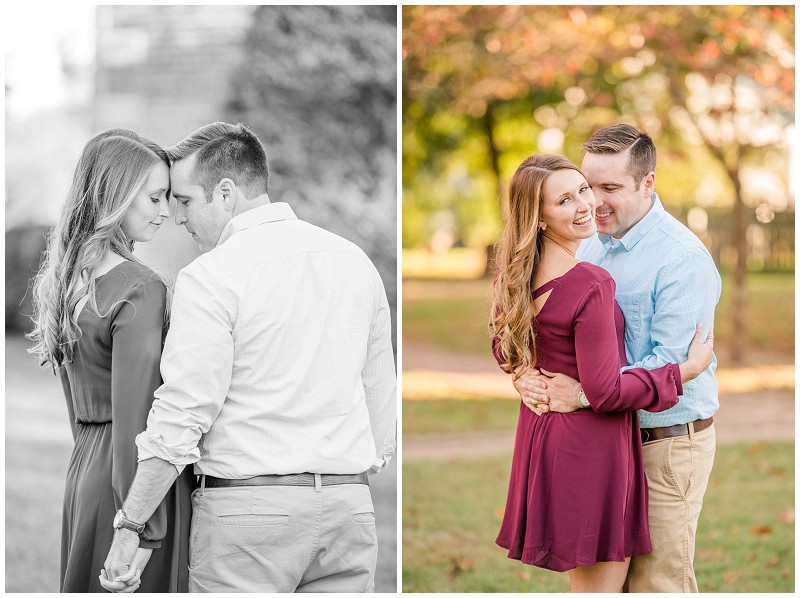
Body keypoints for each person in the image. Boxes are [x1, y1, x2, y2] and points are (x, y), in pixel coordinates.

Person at [100, 122, 396, 592]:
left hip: (249, 517)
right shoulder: (355, 261)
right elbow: (381, 392)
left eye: (184, 201)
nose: (178, 217)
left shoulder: (211, 276)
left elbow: (182, 414)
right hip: (349, 508)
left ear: (225, 192)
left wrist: (131, 524)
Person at [490, 154, 714, 592]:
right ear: (537, 217)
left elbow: (503, 345)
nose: (585, 205)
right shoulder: (590, 281)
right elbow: (606, 392)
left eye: (585, 191)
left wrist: (523, 374)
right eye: (566, 199)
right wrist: (686, 369)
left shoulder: (514, 273)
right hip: (591, 448)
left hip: (545, 438)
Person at [27, 129, 194, 593]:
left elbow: (78, 416)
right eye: (156, 197)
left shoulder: (66, 282)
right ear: (116, 195)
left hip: (85, 473)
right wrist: (143, 529)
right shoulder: (140, 288)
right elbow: (137, 423)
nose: (166, 212)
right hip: (136, 489)